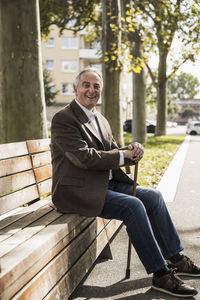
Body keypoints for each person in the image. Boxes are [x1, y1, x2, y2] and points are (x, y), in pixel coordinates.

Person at [51, 68, 200, 298]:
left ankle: (175, 257)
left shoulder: (100, 118)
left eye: (96, 86)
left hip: (104, 184)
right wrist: (122, 156)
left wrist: (131, 150)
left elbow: (111, 151)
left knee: (153, 197)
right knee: (134, 206)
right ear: (75, 88)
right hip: (77, 191)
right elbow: (83, 157)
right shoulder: (64, 118)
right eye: (86, 85)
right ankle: (161, 274)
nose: (92, 90)